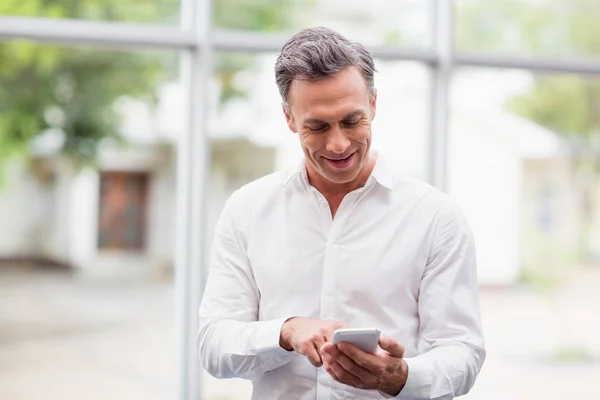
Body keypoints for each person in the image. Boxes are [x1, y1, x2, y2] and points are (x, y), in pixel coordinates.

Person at [198, 26, 485, 399]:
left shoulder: (435, 217)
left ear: (374, 105)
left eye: (352, 121)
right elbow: (214, 344)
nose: (338, 143)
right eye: (317, 126)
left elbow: (463, 352)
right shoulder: (247, 210)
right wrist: (284, 332)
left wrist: (400, 377)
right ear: (288, 119)